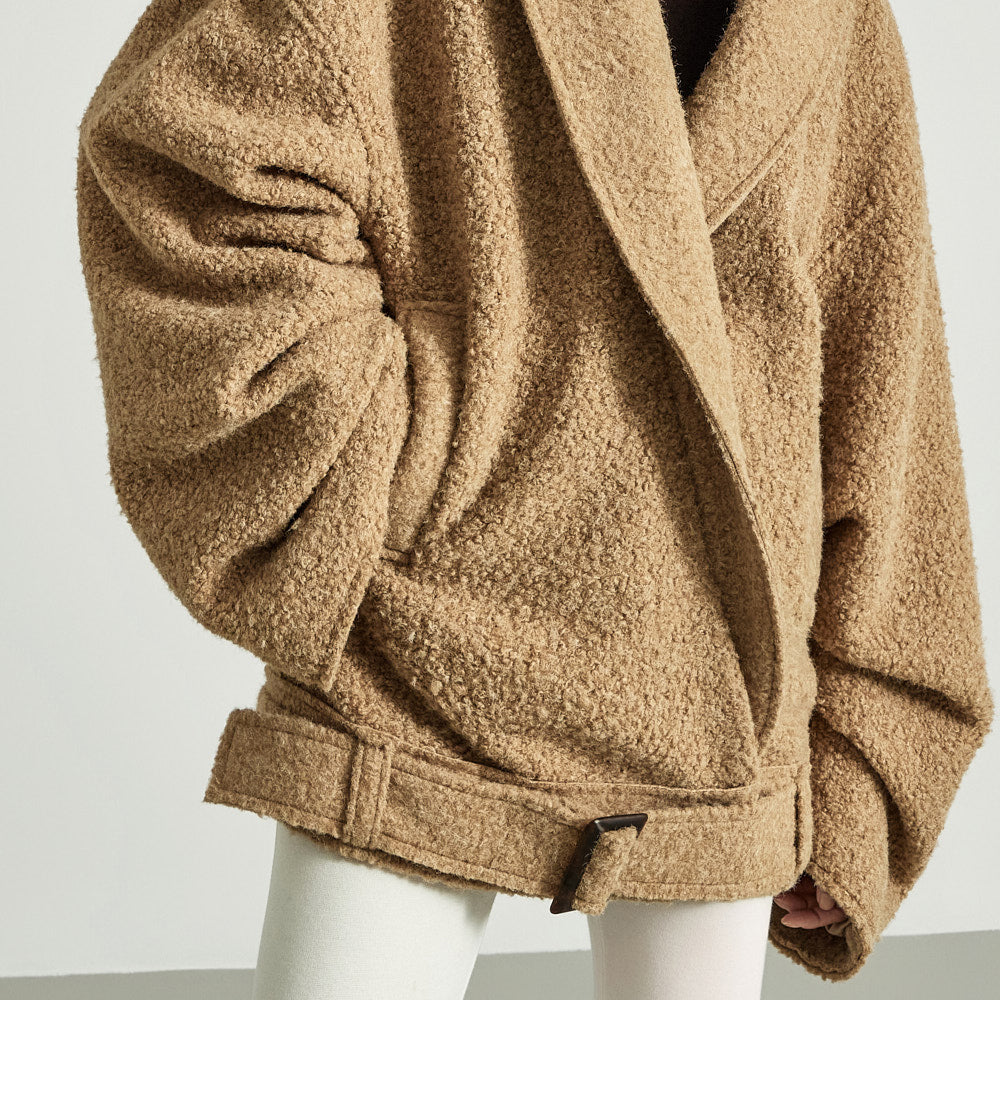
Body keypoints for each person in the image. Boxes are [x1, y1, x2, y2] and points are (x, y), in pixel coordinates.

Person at [76, 0, 993, 1000]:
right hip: (415, 667)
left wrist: (858, 753)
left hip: (719, 698)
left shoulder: (835, 17)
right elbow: (190, 160)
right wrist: (386, 480)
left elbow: (879, 336)